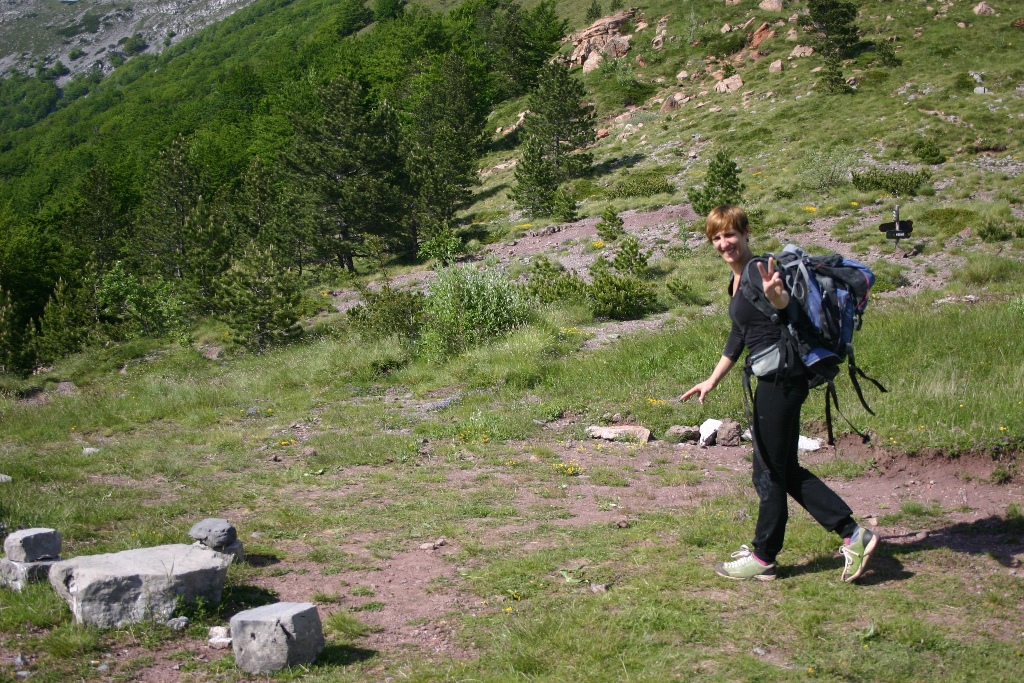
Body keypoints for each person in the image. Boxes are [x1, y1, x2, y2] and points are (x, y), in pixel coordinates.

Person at [680, 205, 876, 582]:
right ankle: (849, 534)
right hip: (774, 378)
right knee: (780, 468)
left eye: (730, 234)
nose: (725, 243)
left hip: (782, 379)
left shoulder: (758, 271)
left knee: (769, 471)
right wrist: (712, 379)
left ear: (746, 233)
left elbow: (790, 312)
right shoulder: (736, 281)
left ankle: (767, 556)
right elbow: (740, 334)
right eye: (717, 237)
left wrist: (779, 298)